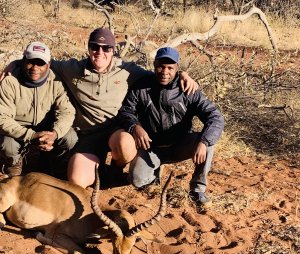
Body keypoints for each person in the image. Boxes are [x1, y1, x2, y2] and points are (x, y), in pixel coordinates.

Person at [1, 28, 198, 188]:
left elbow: (159, 74)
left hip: (115, 131)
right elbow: (42, 64)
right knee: (77, 181)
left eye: (106, 48)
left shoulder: (127, 70)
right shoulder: (72, 68)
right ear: (88, 48)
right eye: (95, 47)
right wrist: (15, 63)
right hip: (87, 136)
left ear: (114, 50)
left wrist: (183, 74)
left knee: (124, 145)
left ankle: (115, 168)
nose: (100, 53)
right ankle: (94, 168)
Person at [117, 47, 224, 205]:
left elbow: (215, 117)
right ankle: (156, 174)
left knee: (208, 143)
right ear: (154, 65)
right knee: (136, 180)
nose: (164, 72)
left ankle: (197, 189)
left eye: (170, 68)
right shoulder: (141, 86)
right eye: (161, 66)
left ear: (177, 69)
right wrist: (135, 127)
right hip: (151, 147)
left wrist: (204, 142)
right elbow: (126, 111)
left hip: (180, 145)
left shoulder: (188, 89)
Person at [0, 41, 76, 177]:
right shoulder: (10, 81)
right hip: (18, 129)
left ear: (49, 65)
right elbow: (2, 118)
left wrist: (55, 133)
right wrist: (31, 136)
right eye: (31, 62)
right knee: (8, 145)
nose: (35, 67)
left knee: (70, 137)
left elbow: (67, 112)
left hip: (47, 129)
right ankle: (14, 165)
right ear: (23, 61)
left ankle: (55, 164)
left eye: (40, 63)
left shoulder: (56, 81)